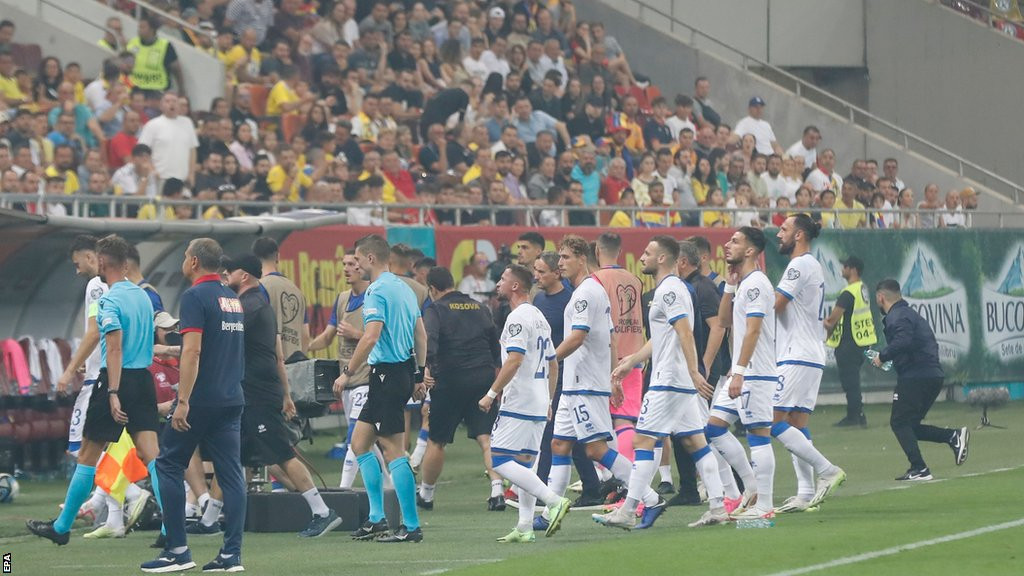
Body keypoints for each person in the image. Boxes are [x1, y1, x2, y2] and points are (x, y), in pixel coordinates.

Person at [28, 235, 161, 548]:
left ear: (102, 261)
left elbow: (112, 346)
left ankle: (62, 527)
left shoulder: (109, 298)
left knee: (86, 454)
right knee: (154, 456)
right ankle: (171, 527)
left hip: (114, 379)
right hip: (143, 378)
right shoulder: (143, 296)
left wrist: (112, 390)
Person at [595, 236, 726, 530]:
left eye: (647, 252)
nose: (642, 257)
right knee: (697, 443)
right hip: (677, 380)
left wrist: (694, 371)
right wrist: (632, 360)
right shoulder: (673, 289)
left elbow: (685, 332)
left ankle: (629, 510)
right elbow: (664, 336)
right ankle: (718, 506)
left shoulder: (669, 291)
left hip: (668, 381)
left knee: (642, 441)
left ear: (663, 259)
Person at [221, 254, 341, 537]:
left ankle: (323, 511)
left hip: (258, 395)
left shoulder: (248, 307)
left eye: (231, 271)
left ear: (246, 275)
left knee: (282, 455)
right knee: (237, 457)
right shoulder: (257, 306)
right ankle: (215, 516)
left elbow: (230, 346)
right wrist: (286, 395)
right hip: (254, 394)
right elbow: (276, 355)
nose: (226, 276)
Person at [144, 238, 245, 573]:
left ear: (195, 262)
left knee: (167, 465)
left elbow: (194, 351)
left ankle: (177, 550)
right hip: (232, 397)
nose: (184, 261)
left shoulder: (194, 296)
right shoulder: (232, 298)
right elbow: (217, 348)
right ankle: (232, 555)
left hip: (201, 398)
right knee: (231, 475)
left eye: (186, 256)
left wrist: (182, 400)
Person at [533, 235, 634, 532]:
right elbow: (611, 337)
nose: (560, 263)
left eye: (564, 257)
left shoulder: (586, 293)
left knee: (595, 450)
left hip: (584, 383)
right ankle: (554, 508)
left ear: (581, 258)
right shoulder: (588, 291)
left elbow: (578, 337)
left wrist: (546, 358)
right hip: (577, 382)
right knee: (559, 444)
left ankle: (646, 496)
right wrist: (614, 376)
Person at [332, 234, 427, 543]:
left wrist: (347, 373)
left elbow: (371, 336)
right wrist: (418, 375)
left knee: (393, 450)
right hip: (396, 374)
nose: (355, 265)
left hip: (386, 374)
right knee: (359, 443)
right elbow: (420, 334)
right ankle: (376, 518)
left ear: (370, 259)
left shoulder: (376, 291)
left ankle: (411, 526)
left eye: (357, 260)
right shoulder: (404, 287)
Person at [479, 264, 572, 542]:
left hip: (519, 398)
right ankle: (524, 526)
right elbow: (553, 363)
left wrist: (491, 393)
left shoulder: (518, 317)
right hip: (538, 398)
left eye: (503, 279)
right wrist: (549, 399)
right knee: (525, 464)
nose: (498, 284)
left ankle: (554, 501)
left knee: (500, 459)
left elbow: (515, 359)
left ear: (515, 286)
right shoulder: (539, 317)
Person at [772, 215, 847, 513]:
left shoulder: (799, 264)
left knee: (772, 420)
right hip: (811, 351)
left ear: (799, 235)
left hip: (797, 353)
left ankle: (827, 470)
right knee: (796, 425)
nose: (779, 234)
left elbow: (776, 303)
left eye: (784, 229)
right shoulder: (812, 265)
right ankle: (805, 493)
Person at [707, 227, 777, 521]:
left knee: (758, 435)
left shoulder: (758, 283)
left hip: (754, 373)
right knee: (713, 428)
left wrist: (739, 372)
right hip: (743, 372)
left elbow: (753, 329)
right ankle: (751, 488)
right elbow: (723, 321)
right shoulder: (743, 283)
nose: (726, 245)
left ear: (750, 251)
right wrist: (729, 286)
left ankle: (766, 506)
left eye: (735, 241)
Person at [418, 267, 502, 511]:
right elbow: (493, 342)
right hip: (482, 378)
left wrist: (426, 369)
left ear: (432, 289)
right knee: (486, 438)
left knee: (437, 440)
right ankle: (497, 490)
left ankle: (427, 494)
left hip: (450, 380)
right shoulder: (479, 307)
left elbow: (430, 341)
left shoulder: (435, 309)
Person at [873, 279, 969, 481]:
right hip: (931, 375)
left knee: (899, 423)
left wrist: (882, 356)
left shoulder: (897, 316)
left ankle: (920, 468)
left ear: (881, 297)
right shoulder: (908, 314)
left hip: (916, 376)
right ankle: (953, 436)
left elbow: (903, 341)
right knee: (910, 426)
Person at [531, 251, 601, 506]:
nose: (536, 275)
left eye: (541, 271)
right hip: (544, 375)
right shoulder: (539, 300)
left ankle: (542, 493)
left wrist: (553, 361)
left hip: (565, 376)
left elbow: (577, 339)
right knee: (569, 436)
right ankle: (593, 487)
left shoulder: (570, 300)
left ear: (556, 273)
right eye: (535, 270)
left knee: (553, 434)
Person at [308, 252, 382, 489]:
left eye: (351, 264)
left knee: (354, 438)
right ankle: (390, 487)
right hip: (347, 379)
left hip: (368, 376)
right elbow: (328, 336)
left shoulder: (376, 295)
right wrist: (303, 347)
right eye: (344, 264)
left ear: (362, 267)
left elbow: (384, 337)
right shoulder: (342, 299)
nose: (346, 268)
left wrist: (356, 334)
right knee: (367, 441)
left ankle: (343, 490)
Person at [592, 234, 644, 468]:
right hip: (634, 357)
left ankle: (626, 479)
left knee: (612, 421)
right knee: (624, 419)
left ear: (596, 252)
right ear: (619, 252)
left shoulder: (596, 280)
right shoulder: (635, 279)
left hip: (608, 359)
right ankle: (620, 478)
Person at [824, 256, 876, 428]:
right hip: (862, 341)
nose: (842, 269)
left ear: (852, 269)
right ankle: (857, 414)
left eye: (845, 266)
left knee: (850, 382)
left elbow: (833, 319)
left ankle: (854, 416)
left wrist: (824, 325)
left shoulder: (849, 292)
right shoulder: (862, 288)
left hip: (849, 342)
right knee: (853, 381)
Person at [253, 237, 308, 362]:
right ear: (278, 256)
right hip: (296, 366)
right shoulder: (297, 290)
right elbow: (305, 335)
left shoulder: (259, 288)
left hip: (270, 365)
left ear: (255, 259)